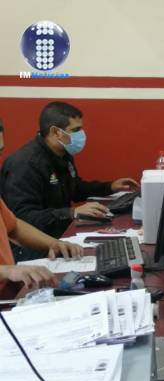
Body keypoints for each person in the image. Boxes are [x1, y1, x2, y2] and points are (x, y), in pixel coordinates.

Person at [0, 102, 138, 259]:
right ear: (55, 132)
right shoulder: (25, 164)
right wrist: (71, 213)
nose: (81, 134)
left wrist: (110, 187)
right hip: (30, 246)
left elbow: (75, 188)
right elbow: (23, 219)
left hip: (58, 236)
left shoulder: (62, 154)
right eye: (76, 130)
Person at [0, 117, 84, 297]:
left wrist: (54, 243)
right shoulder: (25, 162)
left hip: (12, 292)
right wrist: (6, 271)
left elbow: (13, 226)